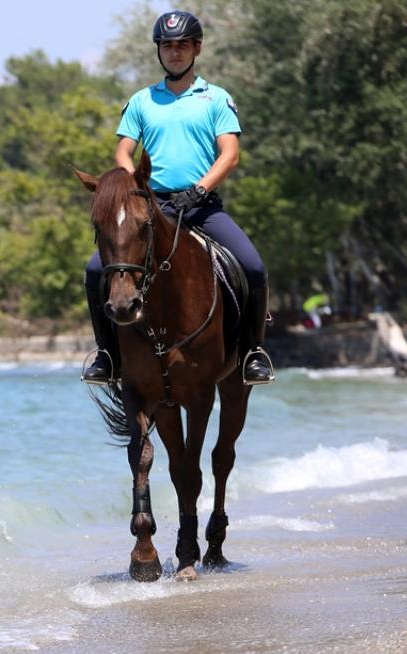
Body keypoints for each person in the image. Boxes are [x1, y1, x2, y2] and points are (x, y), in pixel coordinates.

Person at [82, 10, 274, 387]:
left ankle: (253, 352)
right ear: (159, 51)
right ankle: (107, 355)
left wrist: (199, 190)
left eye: (182, 45)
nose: (174, 52)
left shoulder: (216, 98)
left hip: (200, 207)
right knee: (94, 271)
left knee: (253, 267)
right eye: (167, 46)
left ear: (196, 49)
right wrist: (132, 185)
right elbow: (124, 153)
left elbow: (230, 155)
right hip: (151, 206)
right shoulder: (141, 100)